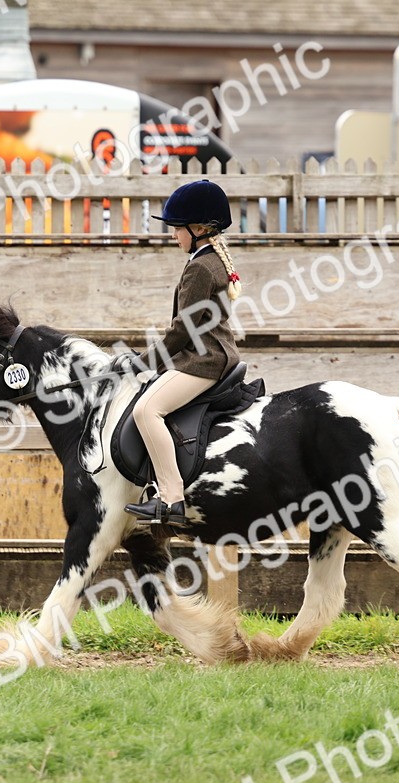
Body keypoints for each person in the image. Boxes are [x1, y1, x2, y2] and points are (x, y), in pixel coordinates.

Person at [124, 179, 242, 528]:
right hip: (212, 353)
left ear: (200, 229)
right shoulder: (208, 261)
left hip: (203, 360)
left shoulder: (200, 268)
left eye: (177, 228)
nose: (173, 234)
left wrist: (144, 362)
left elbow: (182, 330)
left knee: (146, 410)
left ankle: (171, 499)